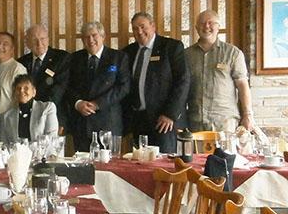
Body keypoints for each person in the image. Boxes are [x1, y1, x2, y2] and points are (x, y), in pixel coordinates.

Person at [122, 12, 190, 152]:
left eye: (143, 26)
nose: (139, 32)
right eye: (135, 28)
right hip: (138, 121)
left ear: (153, 26)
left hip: (164, 121)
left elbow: (183, 81)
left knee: (163, 166)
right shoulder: (128, 52)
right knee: (140, 165)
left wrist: (170, 114)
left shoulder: (171, 47)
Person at [65, 21, 130, 152]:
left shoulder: (118, 57)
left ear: (102, 36)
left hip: (108, 123)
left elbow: (123, 87)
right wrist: (78, 103)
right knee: (83, 167)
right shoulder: (74, 59)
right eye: (86, 37)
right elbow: (67, 87)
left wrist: (97, 104)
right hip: (81, 123)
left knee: (108, 167)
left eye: (94, 35)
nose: (91, 40)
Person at [185, 9, 254, 132]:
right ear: (196, 27)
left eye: (211, 23)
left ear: (218, 27)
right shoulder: (186, 55)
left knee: (225, 152)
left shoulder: (233, 53)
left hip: (225, 122)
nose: (206, 26)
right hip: (195, 121)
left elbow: (243, 85)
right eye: (202, 23)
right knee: (197, 153)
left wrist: (248, 115)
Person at [19, 24, 70, 129]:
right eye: (34, 40)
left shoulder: (61, 58)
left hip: (53, 115)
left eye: (42, 39)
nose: (39, 43)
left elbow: (59, 89)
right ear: (27, 43)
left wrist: (39, 110)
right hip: (26, 116)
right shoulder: (21, 62)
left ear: (48, 39)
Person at [0, 74, 58, 145]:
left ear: (34, 92)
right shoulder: (5, 117)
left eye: (26, 88)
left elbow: (51, 138)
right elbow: (4, 145)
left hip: (43, 154)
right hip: (16, 155)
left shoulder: (47, 108)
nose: (21, 91)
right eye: (18, 88)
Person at [0, 31, 27, 116]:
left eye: (5, 44)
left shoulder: (17, 69)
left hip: (8, 120)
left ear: (12, 49)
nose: (0, 47)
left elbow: (22, 98)